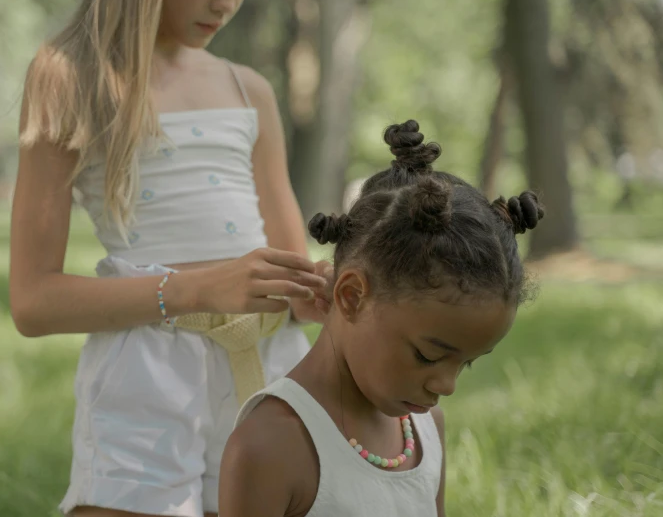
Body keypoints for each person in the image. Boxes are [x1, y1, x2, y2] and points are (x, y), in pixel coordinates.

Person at [9, 0, 330, 516]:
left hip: (266, 370)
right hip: (147, 377)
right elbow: (32, 301)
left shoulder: (250, 90)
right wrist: (197, 291)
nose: (226, 2)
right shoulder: (67, 78)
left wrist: (311, 294)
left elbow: (291, 274)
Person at [219, 120, 545, 517]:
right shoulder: (271, 445)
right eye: (428, 356)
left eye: (467, 362)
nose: (447, 385)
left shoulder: (425, 430)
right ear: (352, 296)